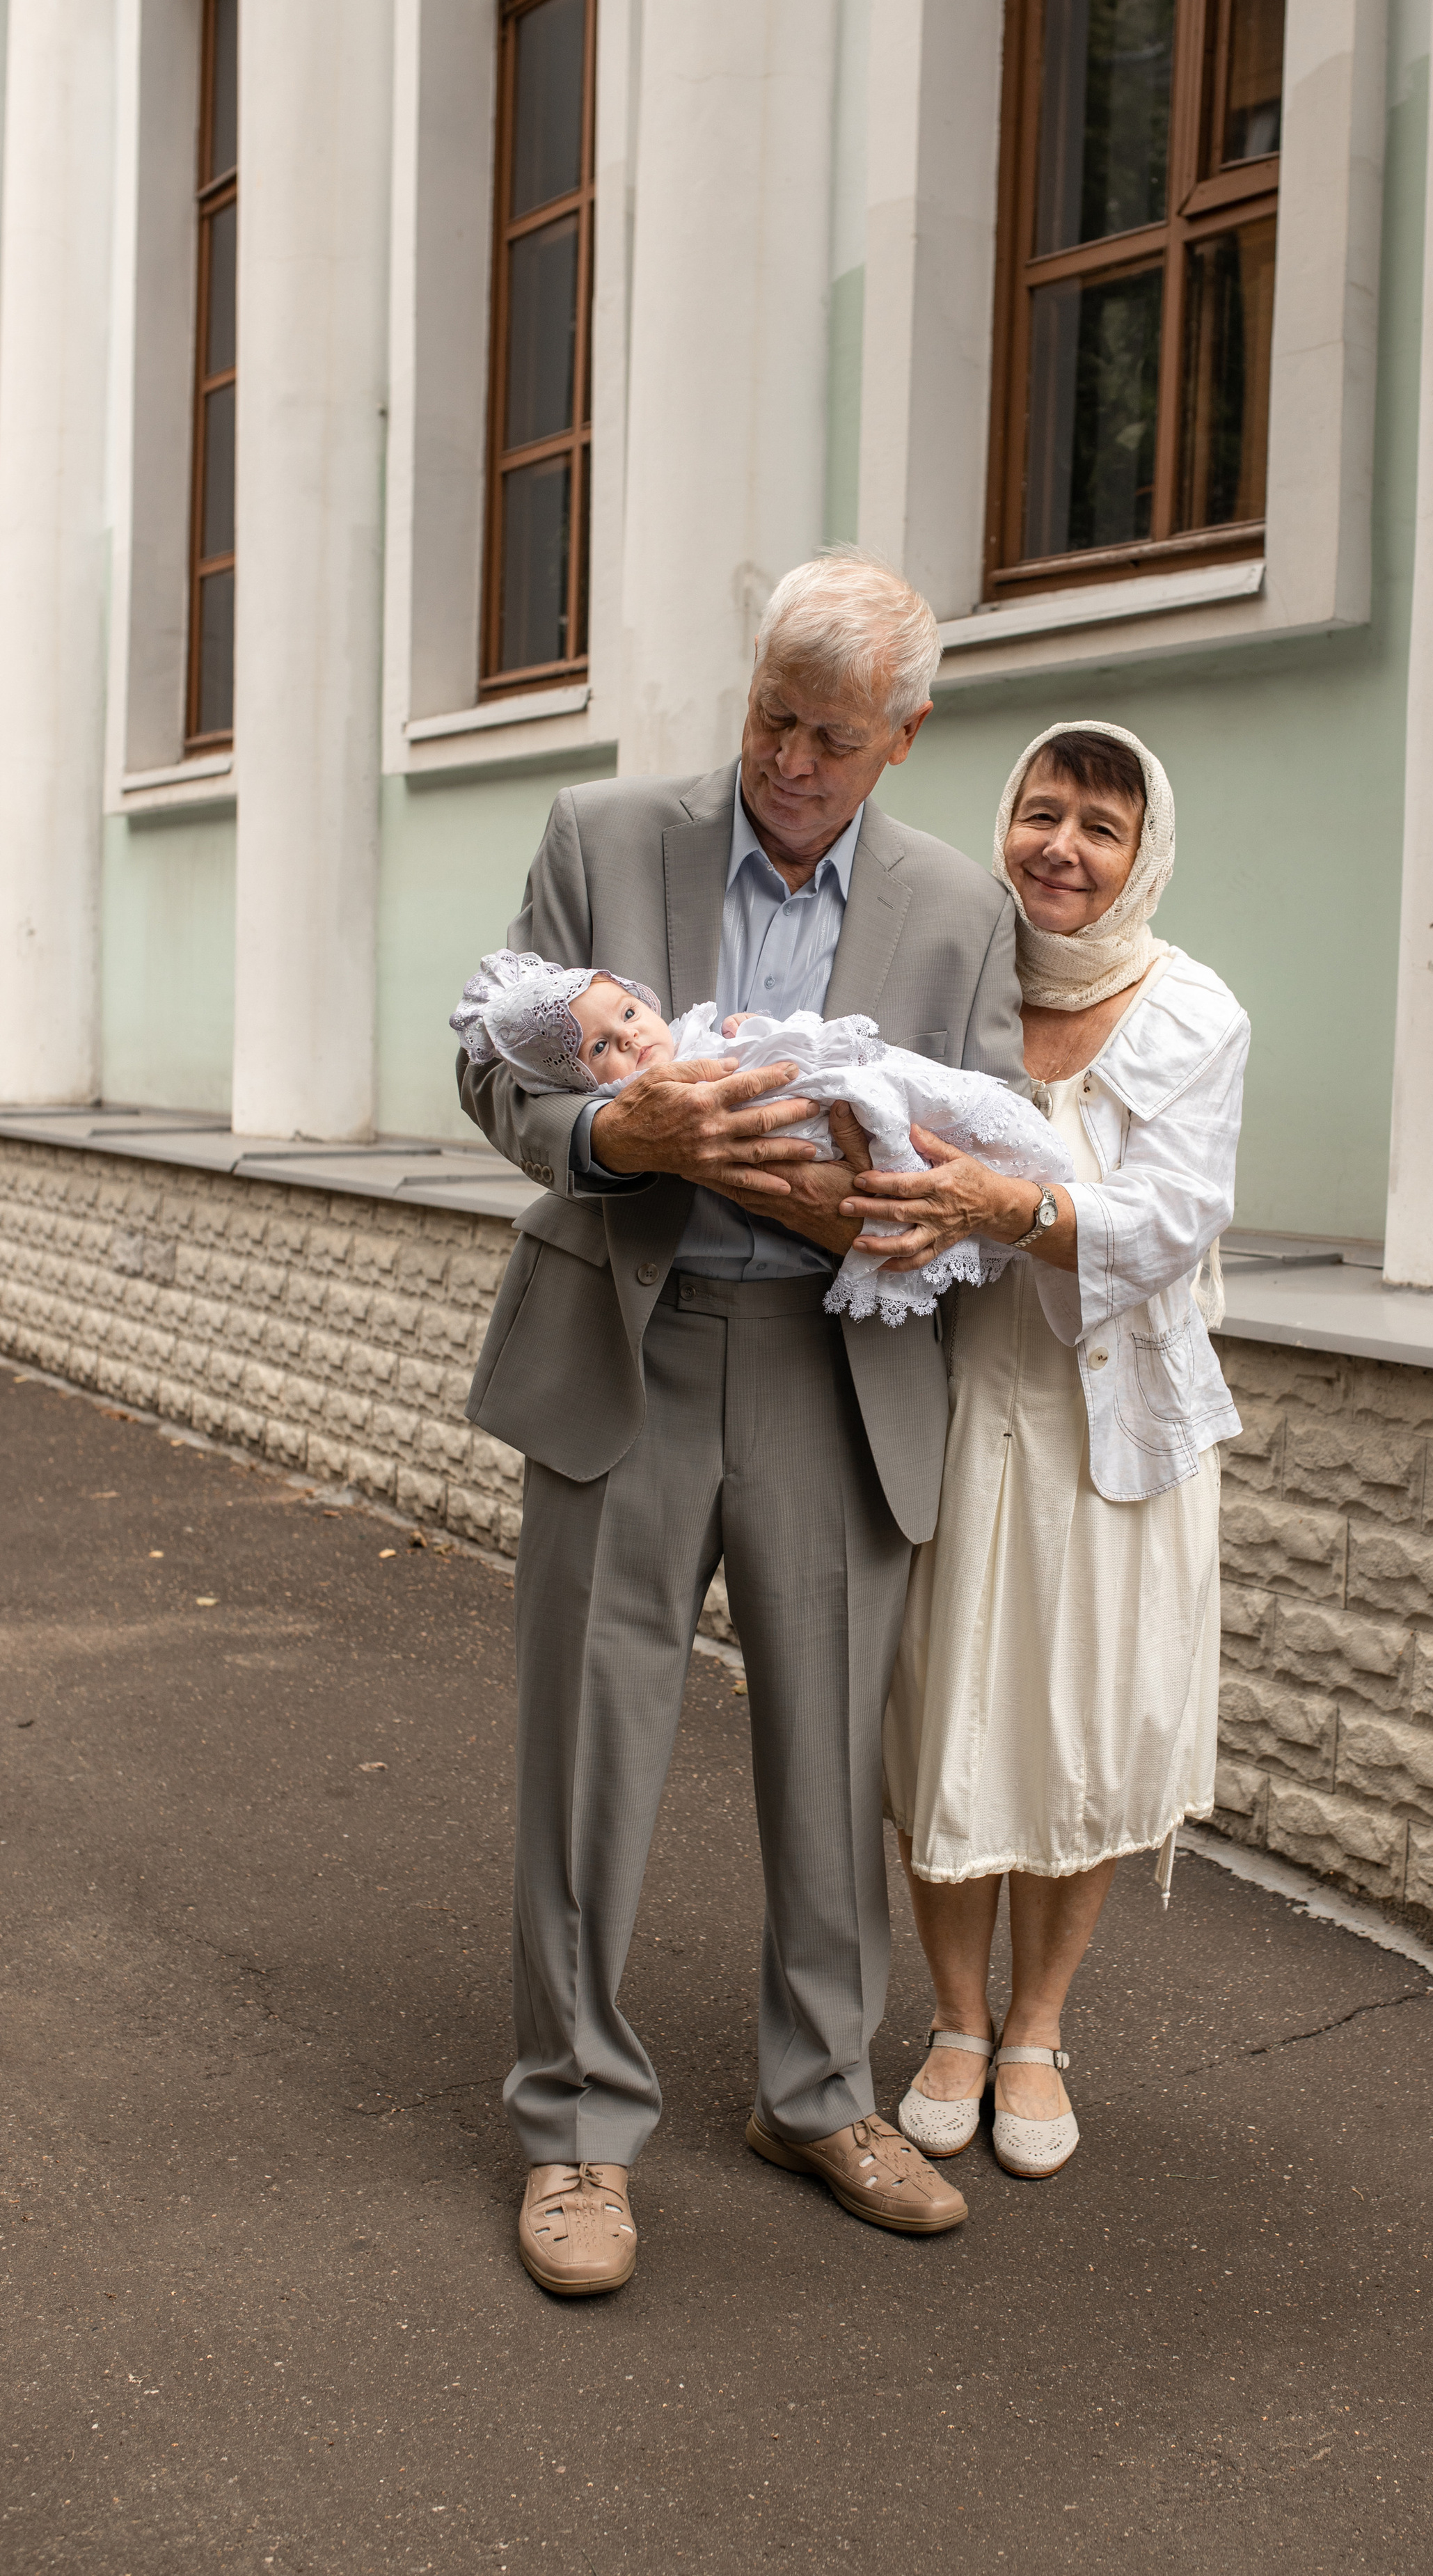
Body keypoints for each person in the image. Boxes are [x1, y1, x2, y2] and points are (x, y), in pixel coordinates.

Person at [455, 548, 1024, 2295]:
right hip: (625, 1347)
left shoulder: (960, 911)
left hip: (831, 1365)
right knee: (590, 1746)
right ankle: (573, 2121)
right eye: (774, 716)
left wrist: (905, 1206)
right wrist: (612, 1138)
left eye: (831, 737)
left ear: (901, 738)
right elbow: (494, 1056)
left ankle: (817, 2094)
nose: (788, 759)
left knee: (829, 1756)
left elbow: (992, 1151)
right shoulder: (601, 835)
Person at [846, 720, 1249, 2181]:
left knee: (1083, 1721)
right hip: (953, 1398)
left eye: (1099, 826)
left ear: (1143, 856)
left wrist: (1010, 1208)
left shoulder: (1194, 1013)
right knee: (951, 1714)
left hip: (1108, 1422)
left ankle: (1036, 2031)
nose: (1062, 849)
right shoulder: (953, 970)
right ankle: (955, 2021)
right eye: (1041, 812)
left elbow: (1172, 1223)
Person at [448, 951, 1073, 1325]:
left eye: (631, 1015)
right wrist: (611, 1136)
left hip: (833, 1346)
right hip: (629, 1319)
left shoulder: (690, 1033)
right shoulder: (630, 1090)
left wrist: (758, 1032)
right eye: (600, 1047)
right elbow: (489, 1078)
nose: (631, 1038)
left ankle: (990, 1156)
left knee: (922, 1117)